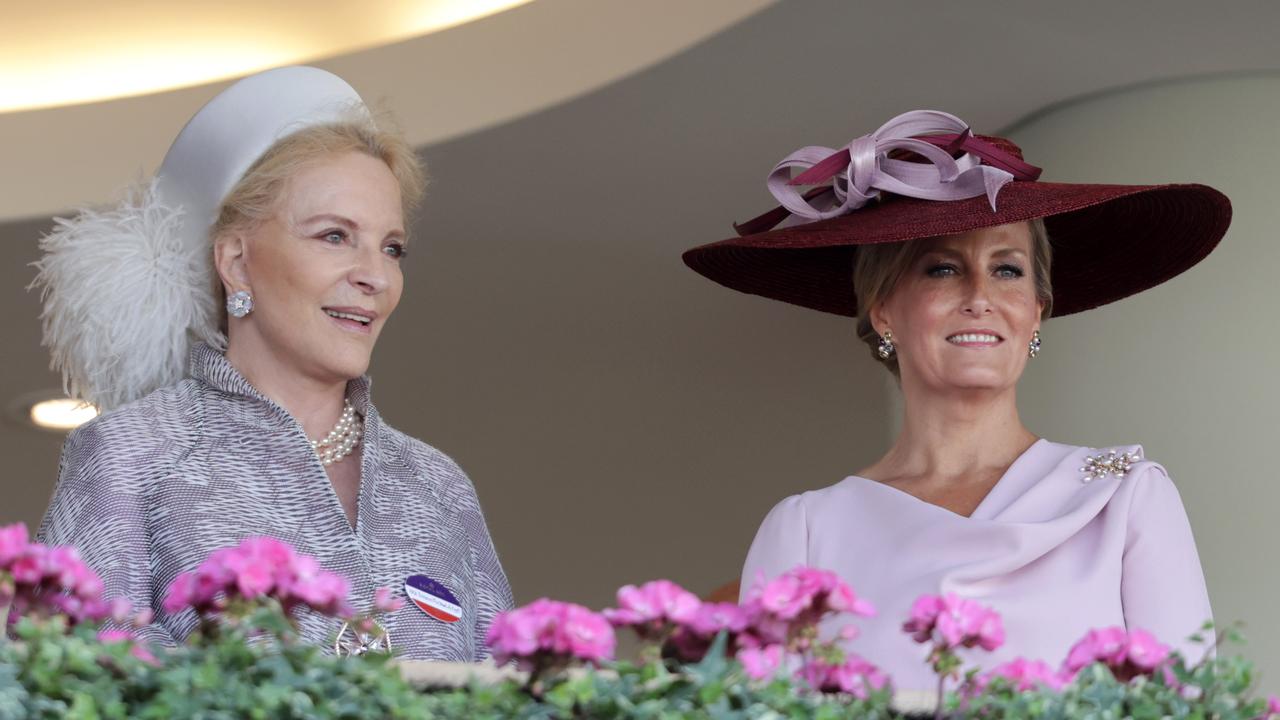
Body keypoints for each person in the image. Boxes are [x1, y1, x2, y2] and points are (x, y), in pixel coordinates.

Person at [681, 110, 1230, 689]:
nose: (980, 297)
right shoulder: (808, 528)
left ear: (1036, 311)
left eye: (1008, 270)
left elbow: (1190, 702)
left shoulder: (1124, 496)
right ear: (883, 307)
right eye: (942, 268)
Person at [32, 66, 513, 660]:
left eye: (392, 248)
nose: (375, 276)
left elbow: (518, 695)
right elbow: (58, 684)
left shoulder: (439, 488)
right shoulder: (133, 457)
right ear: (236, 260)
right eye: (334, 236)